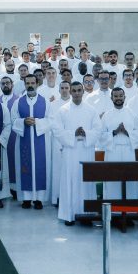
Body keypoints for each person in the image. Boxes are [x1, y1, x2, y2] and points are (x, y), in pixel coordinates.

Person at [55, 82, 101, 225]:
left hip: (86, 150)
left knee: (85, 182)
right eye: (73, 90)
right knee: (70, 181)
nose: (76, 93)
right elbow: (57, 130)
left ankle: (87, 214)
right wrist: (72, 135)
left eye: (78, 90)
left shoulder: (91, 110)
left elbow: (98, 129)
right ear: (70, 92)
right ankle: (69, 215)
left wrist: (86, 133)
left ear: (83, 92)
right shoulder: (62, 110)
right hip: (70, 150)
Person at [11, 74, 55, 209]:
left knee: (40, 166)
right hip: (24, 141)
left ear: (37, 84)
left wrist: (37, 122)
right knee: (24, 167)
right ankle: (26, 199)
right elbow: (13, 120)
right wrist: (23, 121)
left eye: (32, 83)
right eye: (27, 83)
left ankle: (39, 199)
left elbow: (51, 120)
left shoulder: (46, 102)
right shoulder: (18, 102)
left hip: (41, 141)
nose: (30, 85)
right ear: (24, 84)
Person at [99, 88, 138, 200]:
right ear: (111, 98)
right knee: (112, 180)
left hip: (128, 151)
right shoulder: (106, 115)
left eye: (120, 96)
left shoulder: (132, 114)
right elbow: (100, 135)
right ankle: (113, 209)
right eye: (116, 96)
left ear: (124, 97)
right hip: (112, 151)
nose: (118, 98)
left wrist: (127, 133)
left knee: (130, 180)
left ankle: (131, 210)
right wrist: (114, 132)